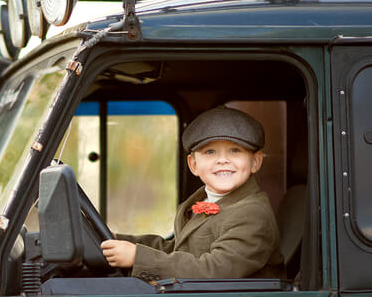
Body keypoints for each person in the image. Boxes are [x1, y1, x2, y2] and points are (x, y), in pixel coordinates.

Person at [100, 105, 283, 280]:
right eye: (210, 152)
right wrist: (120, 240)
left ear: (255, 162)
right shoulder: (202, 200)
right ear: (194, 165)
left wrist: (138, 258)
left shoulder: (252, 213)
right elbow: (177, 250)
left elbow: (214, 270)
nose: (222, 160)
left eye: (235, 151)